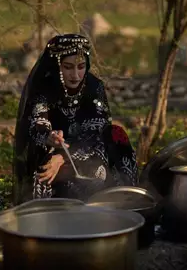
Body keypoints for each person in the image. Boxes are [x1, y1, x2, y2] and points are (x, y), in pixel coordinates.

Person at [10, 34, 138, 205]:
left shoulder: (94, 86)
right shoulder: (43, 89)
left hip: (88, 151)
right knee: (42, 152)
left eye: (81, 67)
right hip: (53, 151)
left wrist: (64, 156)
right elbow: (37, 124)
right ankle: (45, 208)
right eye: (68, 67)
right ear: (57, 65)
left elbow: (98, 128)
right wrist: (50, 137)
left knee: (116, 134)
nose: (76, 75)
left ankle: (127, 200)